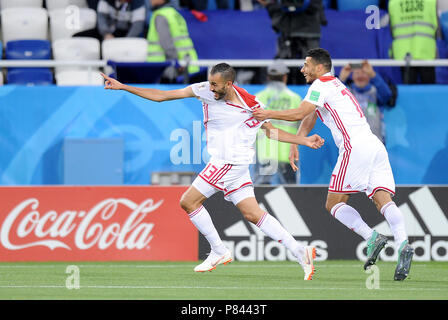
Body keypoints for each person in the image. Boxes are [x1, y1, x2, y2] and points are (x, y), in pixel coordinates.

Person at [100, 63, 325, 280]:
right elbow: (162, 96)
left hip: (227, 163)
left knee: (188, 202)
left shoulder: (249, 105)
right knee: (253, 214)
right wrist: (124, 86)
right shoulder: (205, 90)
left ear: (229, 84)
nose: (211, 88)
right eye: (210, 82)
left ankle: (218, 250)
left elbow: (272, 132)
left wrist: (302, 141)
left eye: (216, 85)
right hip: (238, 167)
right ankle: (299, 250)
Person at [253, 48, 414, 281]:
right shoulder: (335, 84)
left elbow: (300, 112)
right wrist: (297, 142)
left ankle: (372, 237)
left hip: (354, 147)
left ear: (319, 68)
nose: (302, 69)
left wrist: (267, 112)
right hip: (375, 145)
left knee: (333, 203)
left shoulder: (320, 85)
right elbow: (311, 115)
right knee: (382, 199)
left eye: (306, 65)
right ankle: (403, 244)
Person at [253, 60, 302, 184]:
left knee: (262, 193)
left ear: (268, 77)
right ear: (285, 77)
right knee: (292, 195)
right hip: (288, 152)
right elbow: (302, 126)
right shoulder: (295, 98)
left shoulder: (258, 98)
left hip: (265, 152)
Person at [257, 0, 327, 84]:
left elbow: (314, 6)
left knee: (313, 65)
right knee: (283, 65)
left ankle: (316, 90)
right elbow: (276, 9)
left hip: (309, 32)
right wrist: (269, 5)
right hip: (287, 32)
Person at [339, 60, 393, 144]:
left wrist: (373, 75)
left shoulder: (375, 92)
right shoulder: (346, 93)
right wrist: (341, 79)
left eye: (364, 73)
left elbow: (386, 95)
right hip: (353, 145)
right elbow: (333, 100)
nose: (360, 76)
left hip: (375, 144)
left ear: (369, 76)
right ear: (352, 77)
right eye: (357, 73)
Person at [147, 0, 200, 83]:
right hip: (185, 62)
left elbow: (167, 45)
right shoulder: (175, 14)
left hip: (167, 67)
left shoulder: (160, 15)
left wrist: (176, 63)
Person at [388, 0, 438, 84]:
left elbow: (391, 30)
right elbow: (437, 29)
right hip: (426, 50)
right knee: (430, 90)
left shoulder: (394, 2)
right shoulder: (430, 1)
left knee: (408, 91)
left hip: (403, 52)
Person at [74, 0, 146, 40]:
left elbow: (137, 26)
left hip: (125, 33)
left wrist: (126, 40)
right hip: (107, 32)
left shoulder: (138, 3)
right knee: (78, 37)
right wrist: (106, 34)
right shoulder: (107, 0)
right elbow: (101, 18)